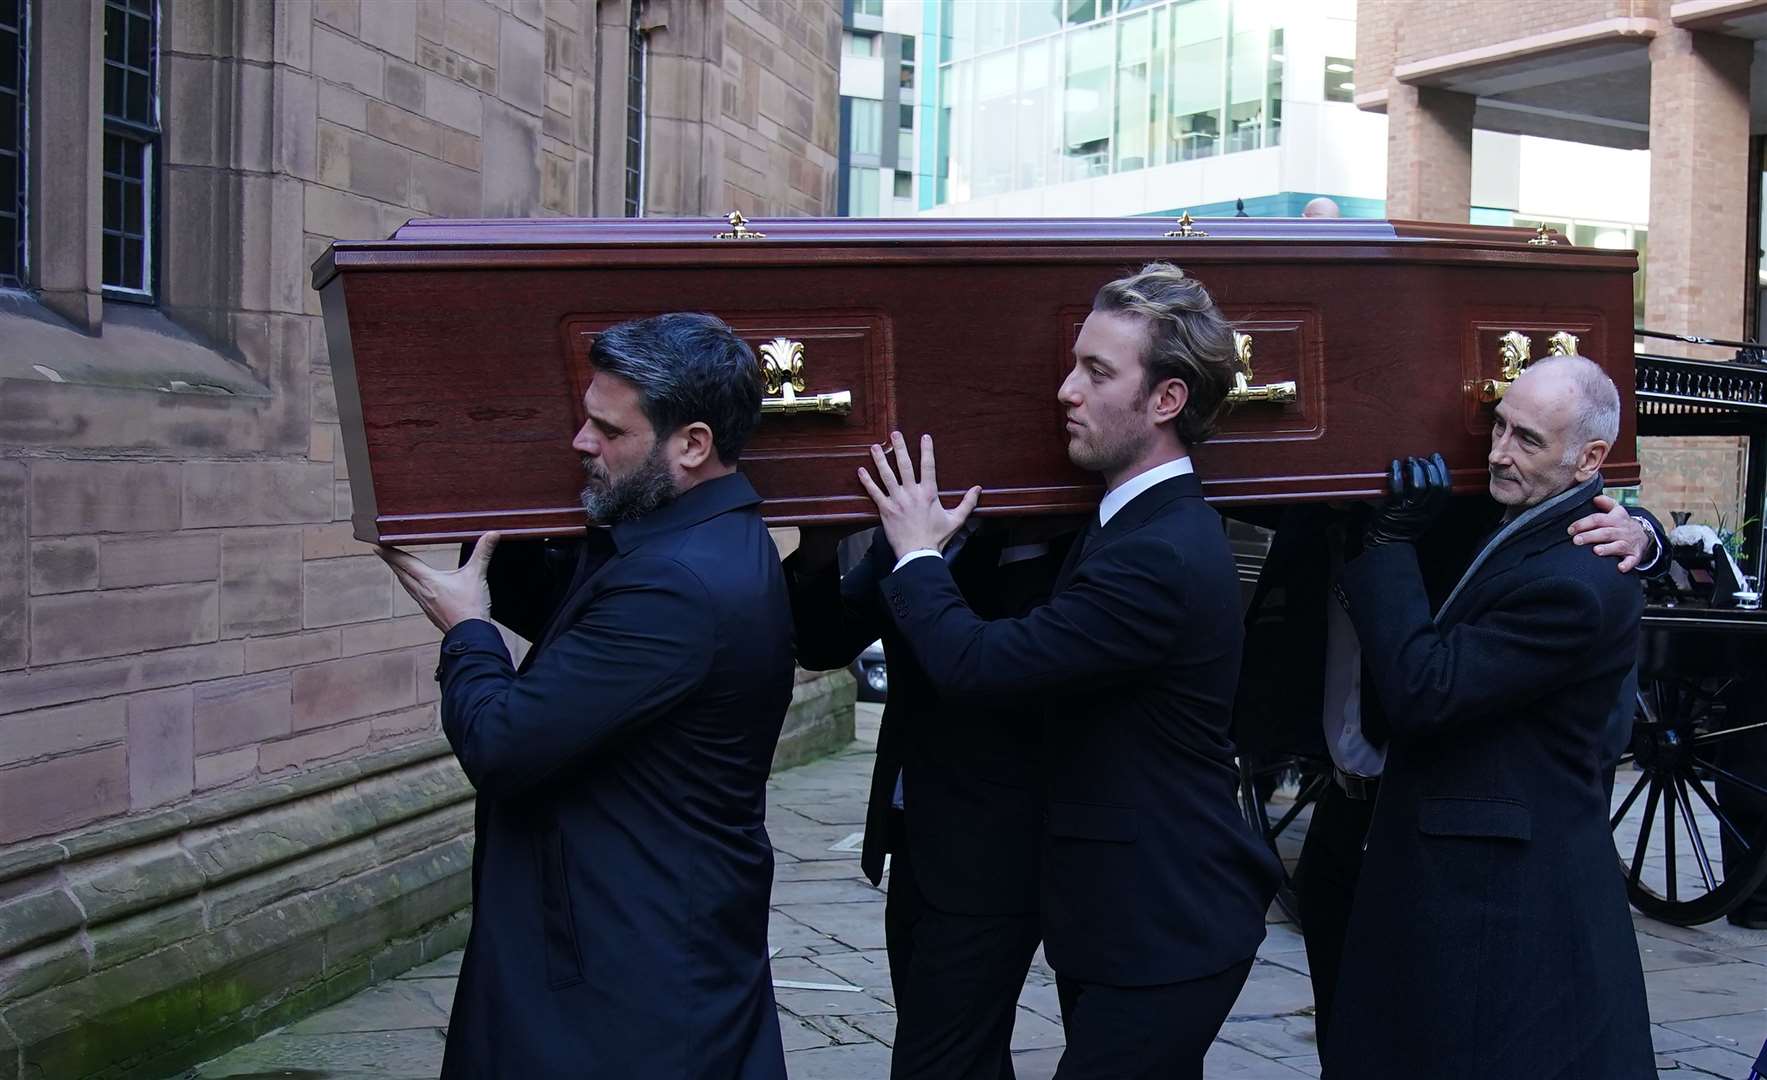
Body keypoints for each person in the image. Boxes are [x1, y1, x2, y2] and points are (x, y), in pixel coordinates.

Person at [857, 262, 1282, 1080]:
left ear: (1165, 401)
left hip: (1166, 924)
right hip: (1127, 920)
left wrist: (916, 553)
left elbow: (978, 665)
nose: (1064, 390)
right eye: (1072, 364)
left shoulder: (1155, 553)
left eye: (1095, 371)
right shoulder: (1126, 525)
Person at [376, 313, 794, 1079]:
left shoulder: (677, 584)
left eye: (607, 429)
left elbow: (501, 746)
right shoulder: (693, 537)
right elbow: (585, 629)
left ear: (691, 444)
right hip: (642, 936)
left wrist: (465, 629)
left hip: (625, 973)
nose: (579, 441)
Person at [1324, 354, 1655, 1079]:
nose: (1498, 452)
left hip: (1498, 896)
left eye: (1526, 440)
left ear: (1588, 460)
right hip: (1448, 860)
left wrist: (1386, 548)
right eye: (1497, 426)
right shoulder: (1527, 517)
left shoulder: (1575, 581)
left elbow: (1425, 691)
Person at [1238, 491, 1661, 1046]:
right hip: (1341, 813)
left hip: (1427, 822)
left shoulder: (1457, 511)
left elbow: (1570, 494)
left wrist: (1648, 535)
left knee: (1427, 1039)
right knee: (1344, 1037)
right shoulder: (1310, 510)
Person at [787, 518, 1063, 1080]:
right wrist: (817, 552)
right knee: (950, 1045)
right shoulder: (906, 536)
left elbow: (994, 671)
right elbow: (822, 644)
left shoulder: (1038, 540)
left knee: (938, 1057)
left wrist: (927, 553)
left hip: (998, 844)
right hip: (919, 833)